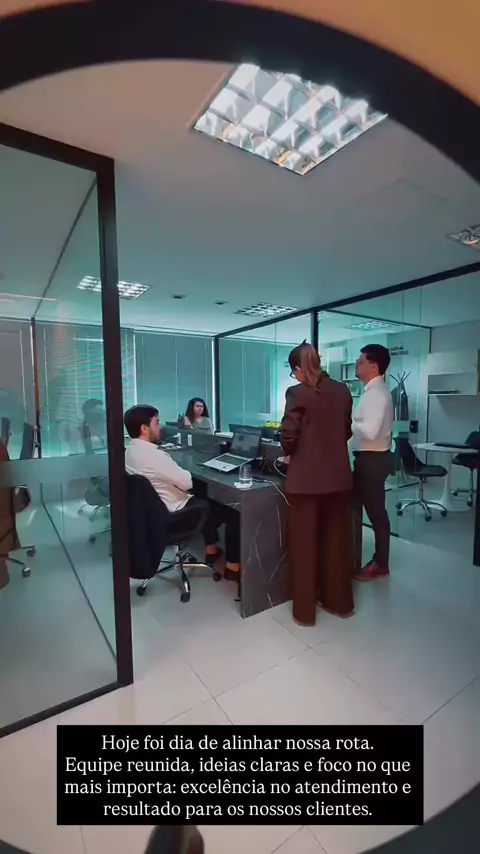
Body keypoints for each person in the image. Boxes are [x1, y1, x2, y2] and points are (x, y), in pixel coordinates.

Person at [280, 343, 354, 626]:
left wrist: (292, 450)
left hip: (306, 482)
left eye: (294, 372)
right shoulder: (342, 390)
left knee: (304, 546)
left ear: (298, 369)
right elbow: (345, 430)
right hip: (337, 479)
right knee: (336, 544)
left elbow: (289, 435)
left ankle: (305, 613)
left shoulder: (297, 393)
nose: (295, 377)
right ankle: (340, 604)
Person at [124, 405, 240, 579]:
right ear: (144, 428)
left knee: (203, 496)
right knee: (233, 512)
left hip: (153, 512)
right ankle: (232, 567)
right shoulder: (155, 456)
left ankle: (211, 548)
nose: (160, 427)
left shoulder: (129, 452)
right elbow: (187, 483)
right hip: (174, 514)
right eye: (157, 422)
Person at [352, 344, 394, 581]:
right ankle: (371, 559)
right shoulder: (371, 391)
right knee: (368, 510)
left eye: (361, 362)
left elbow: (370, 431)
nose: (357, 365)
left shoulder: (377, 394)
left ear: (374, 366)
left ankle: (381, 563)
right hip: (369, 459)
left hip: (373, 460)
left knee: (376, 513)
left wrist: (347, 422)